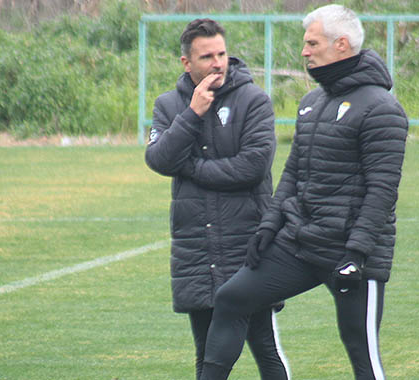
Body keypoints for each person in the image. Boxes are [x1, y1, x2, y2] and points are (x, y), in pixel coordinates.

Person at [198, 5, 408, 380]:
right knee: (230, 298)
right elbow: (293, 173)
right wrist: (268, 228)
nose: (305, 51)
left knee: (362, 353)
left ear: (341, 44)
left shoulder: (381, 107)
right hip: (300, 243)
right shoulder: (311, 103)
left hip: (351, 254)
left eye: (312, 43)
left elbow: (382, 191)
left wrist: (357, 255)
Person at [144, 18, 290, 380]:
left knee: (265, 350)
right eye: (207, 56)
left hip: (248, 246)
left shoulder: (254, 100)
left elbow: (253, 167)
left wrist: (192, 169)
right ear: (187, 63)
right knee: (207, 356)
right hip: (196, 248)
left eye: (222, 53)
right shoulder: (168, 106)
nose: (217, 62)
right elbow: (159, 159)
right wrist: (192, 113)